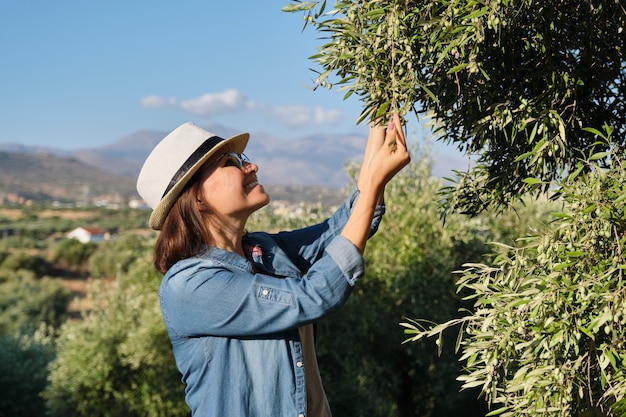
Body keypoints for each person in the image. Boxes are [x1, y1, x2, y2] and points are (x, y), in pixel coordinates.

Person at [136, 114, 410, 417]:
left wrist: (378, 123)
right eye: (232, 163)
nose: (251, 167)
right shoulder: (190, 287)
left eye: (244, 159)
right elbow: (315, 296)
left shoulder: (265, 250)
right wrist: (372, 185)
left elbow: (348, 226)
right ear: (197, 196)